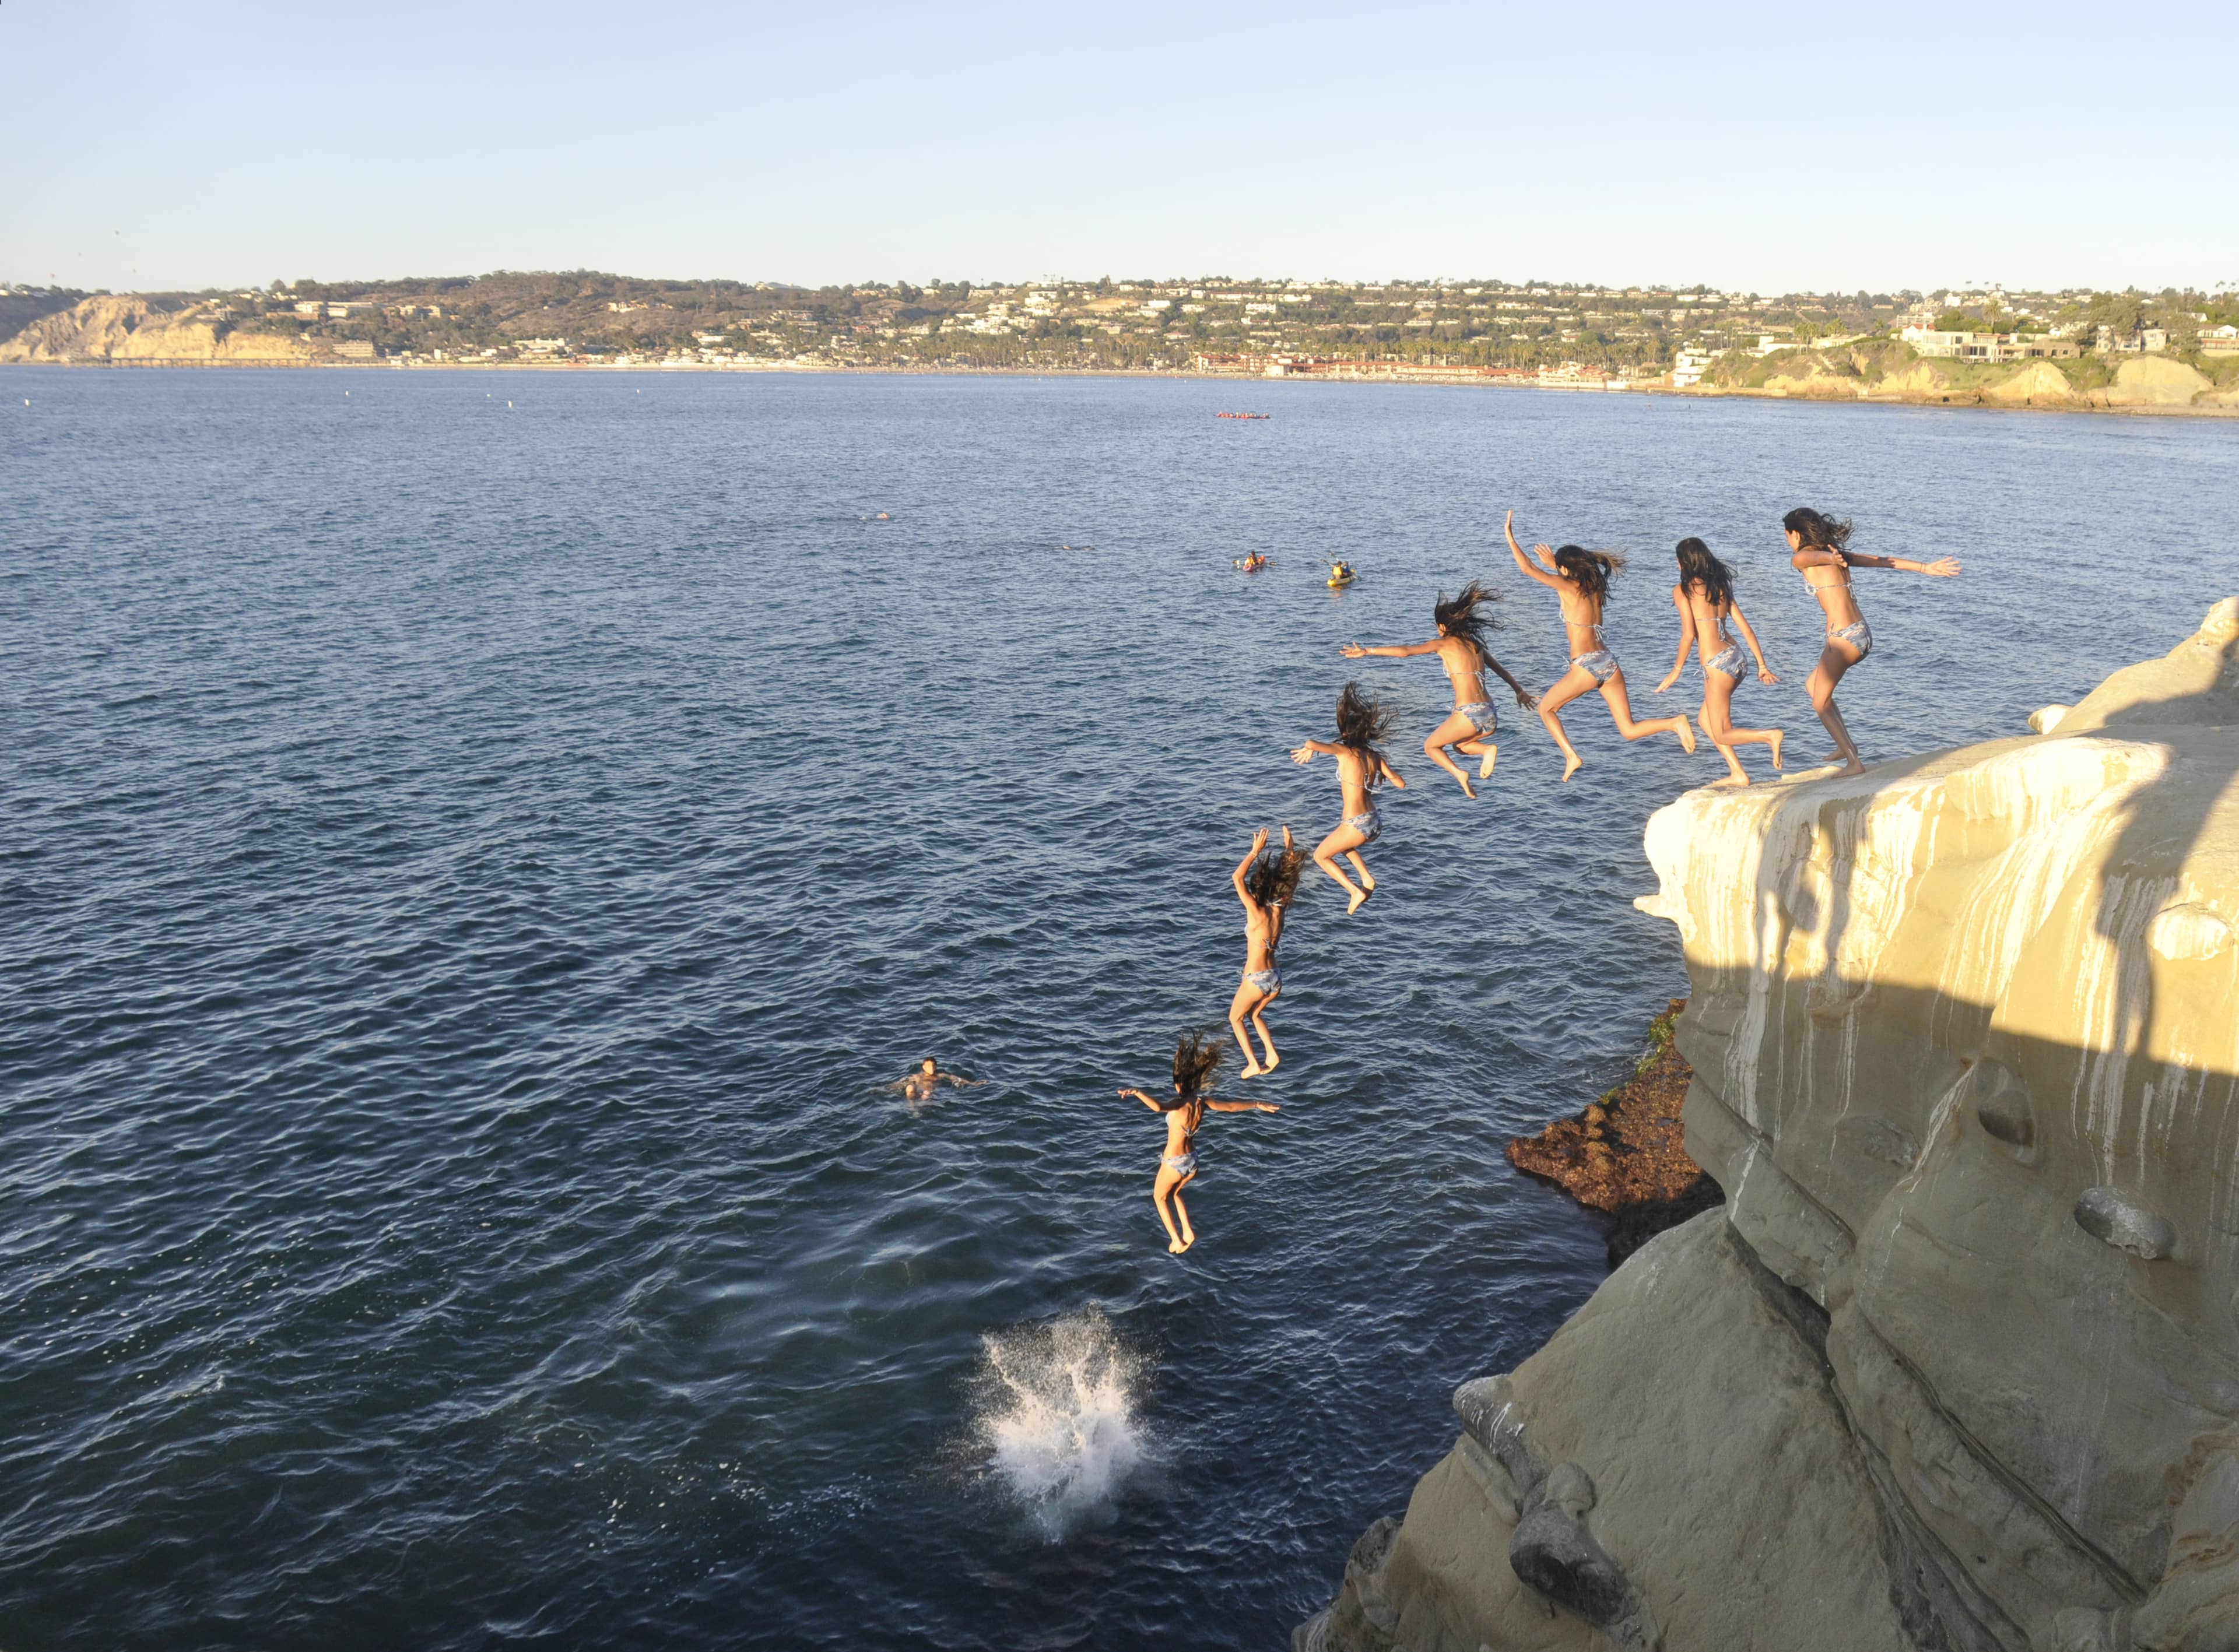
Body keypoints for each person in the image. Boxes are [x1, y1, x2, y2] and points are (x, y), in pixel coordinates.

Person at [1505, 510, 1696, 782]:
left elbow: (1527, 569)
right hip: (1608, 663)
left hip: (1586, 666)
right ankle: (1674, 723)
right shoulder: (1594, 587)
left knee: (1546, 710)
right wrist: (1555, 565)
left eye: (1560, 568)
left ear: (1566, 570)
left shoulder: (1568, 587)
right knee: (1628, 730)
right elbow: (1566, 579)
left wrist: (1510, 537)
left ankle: (1571, 756)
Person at [1783, 507, 1961, 775]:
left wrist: (1828, 557)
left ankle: (1854, 762)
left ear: (1796, 534)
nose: (1788, 541)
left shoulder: (1803, 558)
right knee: (1813, 685)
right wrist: (1925, 568)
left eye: (1787, 536)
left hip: (1844, 638)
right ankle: (1846, 747)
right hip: (1860, 633)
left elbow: (1808, 556)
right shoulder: (1837, 554)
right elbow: (1882, 561)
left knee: (1820, 702)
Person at [1340, 581, 1537, 797]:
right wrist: (1520, 691)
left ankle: (1462, 772)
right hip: (1490, 713)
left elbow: (1406, 651)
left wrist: (1368, 651)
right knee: (1459, 747)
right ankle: (1484, 750)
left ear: (1443, 627)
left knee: (1431, 747)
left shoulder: (1443, 644)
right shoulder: (1475, 645)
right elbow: (1502, 670)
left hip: (1468, 713)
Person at [1119, 1032, 1279, 1253]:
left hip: (1174, 1162)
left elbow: (1157, 1107)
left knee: (1159, 1197)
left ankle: (1176, 1239)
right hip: (1193, 1162)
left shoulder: (1178, 1104)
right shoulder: (1202, 1103)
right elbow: (1231, 1107)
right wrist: (1257, 1104)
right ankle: (1188, 1231)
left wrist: (1137, 1092)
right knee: (1174, 1194)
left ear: (1179, 1085)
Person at [1652, 538, 1785, 787]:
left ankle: (1769, 736)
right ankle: (1738, 773)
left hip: (1717, 664)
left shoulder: (1683, 590)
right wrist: (1762, 665)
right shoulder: (1721, 587)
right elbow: (1746, 629)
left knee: (1723, 731)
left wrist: (1676, 670)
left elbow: (1689, 634)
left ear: (1684, 562)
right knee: (1705, 720)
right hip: (1737, 658)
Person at [1292, 681, 1406, 914]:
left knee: (1321, 856)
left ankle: (1354, 890)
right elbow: (1401, 784)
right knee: (1343, 846)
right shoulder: (1374, 757)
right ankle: (1367, 878)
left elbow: (1311, 742)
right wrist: (1384, 777)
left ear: (1346, 733)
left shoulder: (1344, 752)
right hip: (1374, 822)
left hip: (1355, 823)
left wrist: (1310, 749)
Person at [1229, 826, 1302, 1077]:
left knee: (1235, 1019)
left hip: (1257, 977)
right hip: (1276, 978)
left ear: (1257, 891)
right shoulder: (1279, 910)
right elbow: (1291, 881)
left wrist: (1253, 853)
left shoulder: (1256, 912)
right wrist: (1290, 851)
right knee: (1255, 1015)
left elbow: (1237, 878)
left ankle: (1252, 1062)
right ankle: (1271, 1053)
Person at [892, 1057, 978, 1112]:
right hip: (919, 1090)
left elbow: (956, 1078)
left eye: (933, 1066)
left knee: (927, 1093)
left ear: (936, 1067)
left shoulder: (940, 1075)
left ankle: (918, 1109)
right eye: (928, 1066)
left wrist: (972, 1084)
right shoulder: (917, 1076)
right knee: (910, 1087)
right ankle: (911, 1105)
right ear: (924, 1067)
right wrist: (884, 1088)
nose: (931, 1068)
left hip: (930, 1093)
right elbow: (900, 1083)